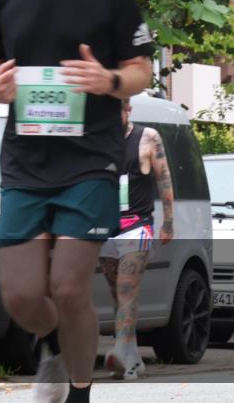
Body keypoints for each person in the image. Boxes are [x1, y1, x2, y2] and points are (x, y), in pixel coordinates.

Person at [0, 0, 154, 403]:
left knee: (70, 286)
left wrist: (109, 80)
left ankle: (78, 393)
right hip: (24, 165)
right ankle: (53, 345)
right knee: (23, 297)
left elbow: (141, 71)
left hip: (90, 162)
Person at [99, 98, 175, 380]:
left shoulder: (148, 137)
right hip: (106, 226)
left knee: (127, 288)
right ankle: (132, 359)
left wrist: (168, 222)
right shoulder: (99, 139)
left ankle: (120, 348)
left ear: (127, 110)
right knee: (116, 294)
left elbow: (164, 180)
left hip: (137, 226)